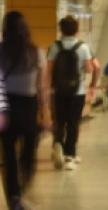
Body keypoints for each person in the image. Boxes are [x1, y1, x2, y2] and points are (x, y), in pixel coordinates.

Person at [0, 12, 43, 209]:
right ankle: (23, 184)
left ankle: (15, 196)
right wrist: (45, 111)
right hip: (29, 105)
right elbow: (41, 86)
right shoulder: (36, 52)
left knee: (8, 153)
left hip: (7, 105)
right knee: (29, 149)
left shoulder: (1, 51)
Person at [46, 15, 100, 171]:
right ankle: (70, 156)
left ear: (60, 29)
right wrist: (92, 85)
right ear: (77, 30)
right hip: (78, 92)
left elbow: (49, 70)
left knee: (60, 121)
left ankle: (57, 144)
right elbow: (93, 68)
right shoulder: (83, 47)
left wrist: (48, 88)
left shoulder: (54, 47)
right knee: (73, 123)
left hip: (58, 91)